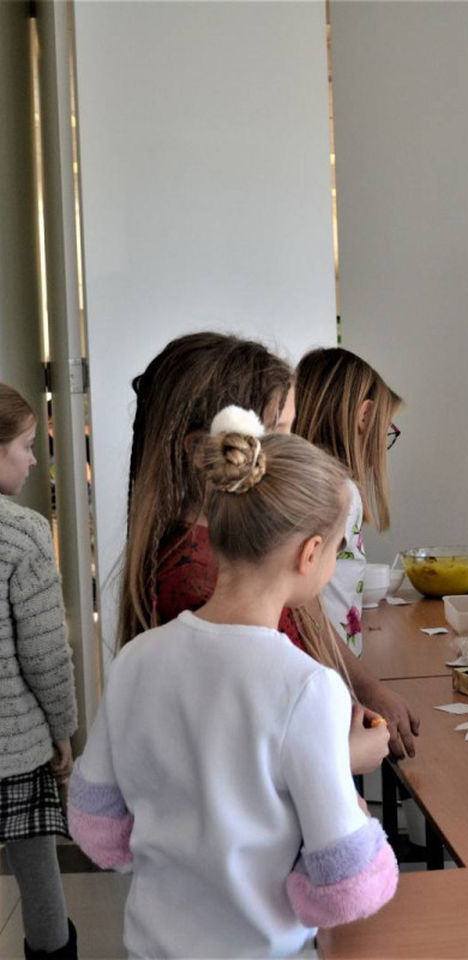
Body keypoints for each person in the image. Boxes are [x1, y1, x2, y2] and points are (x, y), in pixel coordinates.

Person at [69, 409, 397, 958]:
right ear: (309, 554)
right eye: (336, 549)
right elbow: (346, 879)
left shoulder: (135, 658)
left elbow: (95, 821)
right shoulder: (308, 688)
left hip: (150, 946)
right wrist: (340, 760)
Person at [120, 333, 418, 761]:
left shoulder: (246, 542)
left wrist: (364, 688)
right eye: (278, 432)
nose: (294, 448)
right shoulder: (198, 580)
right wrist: (344, 755)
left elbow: (306, 617)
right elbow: (247, 760)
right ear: (201, 451)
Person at [0, 383, 78, 960]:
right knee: (36, 868)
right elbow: (46, 654)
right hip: (17, 746)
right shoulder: (24, 535)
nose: (33, 459)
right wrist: (63, 730)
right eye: (26, 446)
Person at [294, 348, 400, 658]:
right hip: (327, 665)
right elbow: (307, 606)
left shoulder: (302, 481)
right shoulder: (340, 491)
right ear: (364, 416)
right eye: (386, 429)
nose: (383, 442)